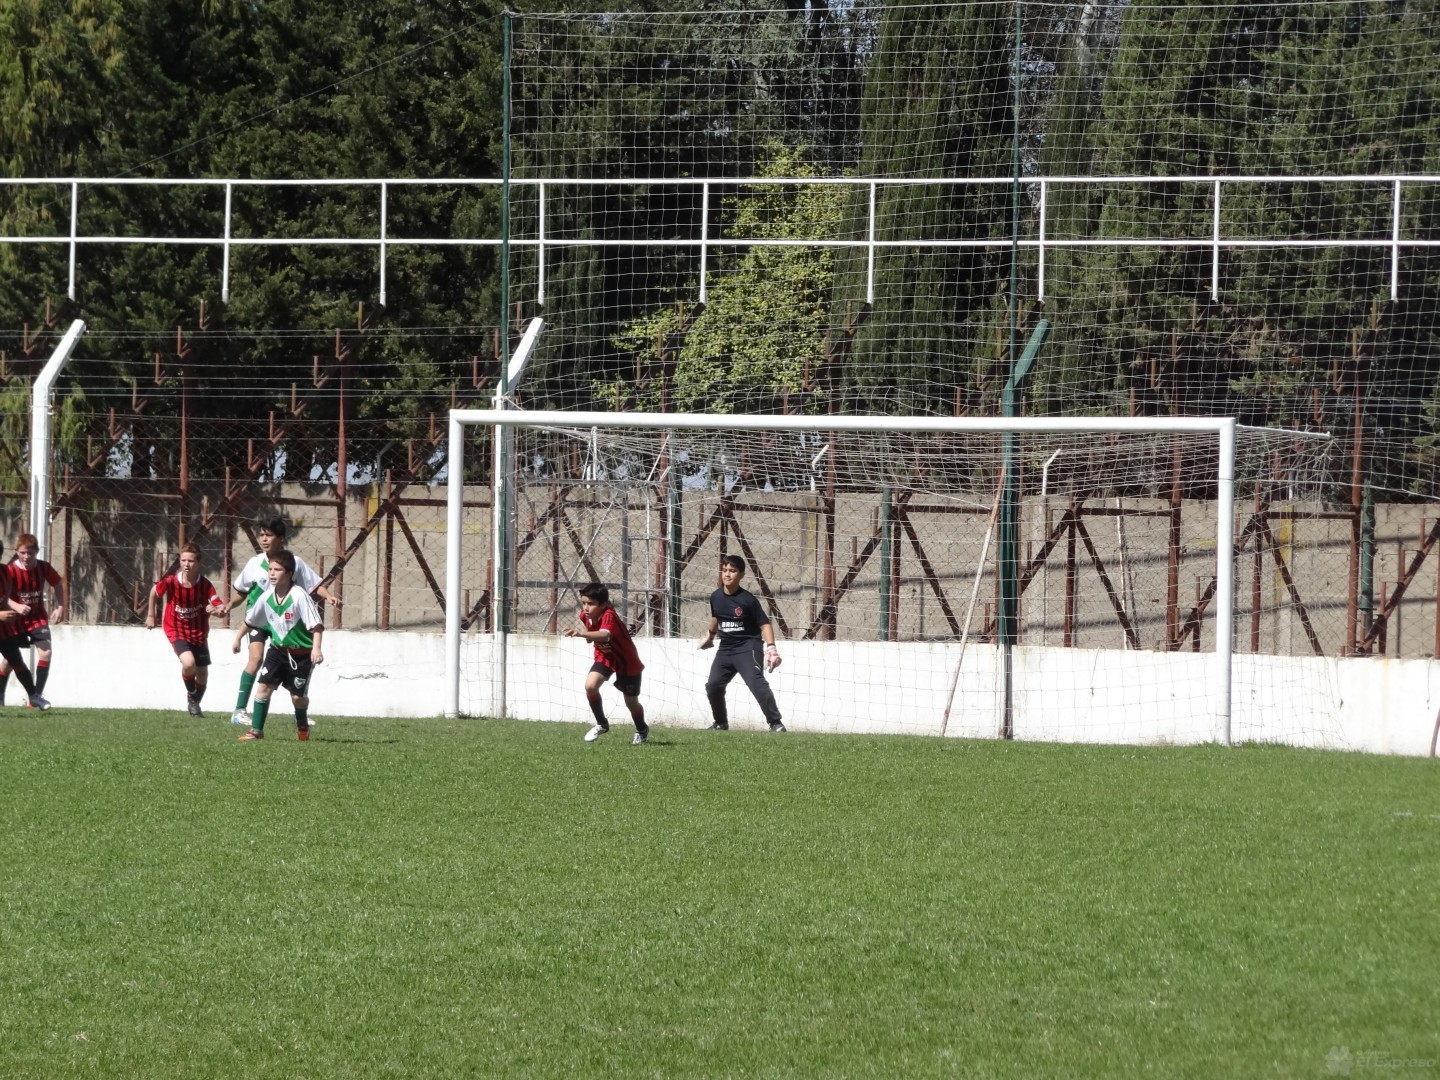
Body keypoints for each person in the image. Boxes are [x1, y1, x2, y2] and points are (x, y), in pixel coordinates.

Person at [228, 518, 337, 726]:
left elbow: (314, 586)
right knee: (256, 659)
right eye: (261, 535)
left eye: (269, 535)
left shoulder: (292, 563)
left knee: (293, 669)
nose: (264, 539)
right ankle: (239, 710)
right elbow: (241, 592)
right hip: (261, 621)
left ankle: (299, 708)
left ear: (281, 539)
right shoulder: (254, 563)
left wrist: (329, 596)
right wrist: (228, 606)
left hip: (285, 624)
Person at [238, 548, 324, 742]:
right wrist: (237, 638)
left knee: (297, 698)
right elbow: (251, 620)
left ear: (289, 573)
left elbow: (317, 626)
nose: (272, 574)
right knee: (263, 688)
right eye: (270, 569)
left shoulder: (299, 596)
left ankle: (302, 724)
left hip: (301, 655)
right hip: (277, 651)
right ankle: (256, 731)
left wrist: (316, 649)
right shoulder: (267, 596)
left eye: (277, 570)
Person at [698, 554, 785, 732]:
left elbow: (765, 624)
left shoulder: (748, 600)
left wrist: (771, 648)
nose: (727, 574)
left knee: (756, 683)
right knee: (713, 686)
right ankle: (720, 723)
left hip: (748, 647)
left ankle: (776, 723)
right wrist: (710, 636)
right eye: (724, 570)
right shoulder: (715, 597)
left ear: (741, 575)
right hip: (726, 649)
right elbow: (716, 617)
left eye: (732, 571)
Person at [146, 543, 227, 716]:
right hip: (176, 629)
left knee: (202, 673)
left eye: (191, 561)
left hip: (199, 632)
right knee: (189, 663)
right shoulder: (171, 581)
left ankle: (194, 703)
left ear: (198, 563)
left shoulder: (205, 585)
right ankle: (192, 696)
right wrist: (151, 615)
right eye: (183, 560)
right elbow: (153, 592)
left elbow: (219, 606)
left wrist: (217, 611)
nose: (186, 564)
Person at [563, 582, 649, 745]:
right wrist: (588, 636)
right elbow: (594, 635)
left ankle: (641, 729)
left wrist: (581, 634)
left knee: (631, 702)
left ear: (603, 605)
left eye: (591, 604)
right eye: (584, 603)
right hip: (605, 657)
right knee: (590, 686)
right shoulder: (585, 616)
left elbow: (604, 635)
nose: (586, 608)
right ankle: (602, 724)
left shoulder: (609, 615)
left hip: (626, 661)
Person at [0, 533, 67, 707]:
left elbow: (58, 584)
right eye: (23, 553)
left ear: (37, 552)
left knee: (45, 652)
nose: (26, 556)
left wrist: (60, 606)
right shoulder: (9, 570)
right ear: (16, 551)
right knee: (9, 661)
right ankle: (1, 697)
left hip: (37, 618)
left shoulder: (44, 568)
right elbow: (4, 597)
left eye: (30, 553)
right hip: (14, 620)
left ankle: (35, 698)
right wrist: (16, 606)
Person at [0, 559, 49, 709]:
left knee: (16, 661)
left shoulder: (4, 571)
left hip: (3, 629)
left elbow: (5, 598)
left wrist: (8, 608)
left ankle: (34, 697)